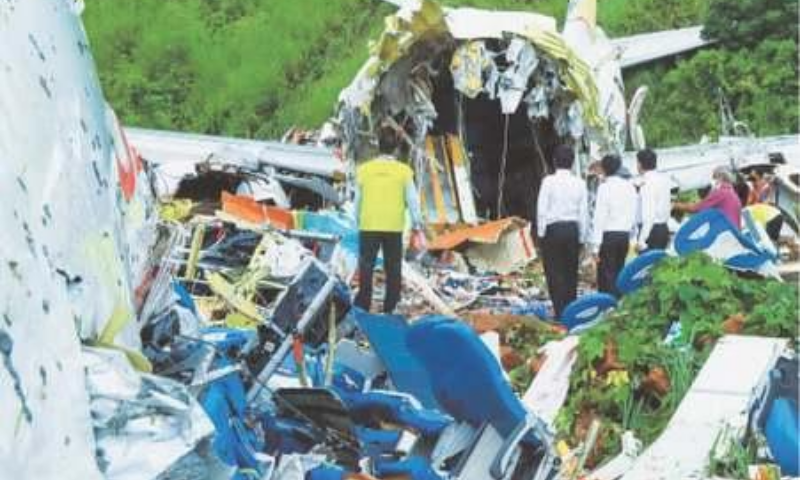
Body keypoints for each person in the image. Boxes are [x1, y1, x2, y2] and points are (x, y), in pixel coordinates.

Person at [354, 127, 423, 314]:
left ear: (378, 145)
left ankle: (363, 306)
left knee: (366, 266)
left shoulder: (364, 170)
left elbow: (357, 200)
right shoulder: (404, 171)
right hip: (393, 226)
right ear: (396, 148)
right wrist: (417, 224)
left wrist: (358, 220)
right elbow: (413, 201)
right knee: (393, 268)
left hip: (368, 225)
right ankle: (390, 308)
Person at [537, 145, 588, 318]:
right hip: (572, 229)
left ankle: (560, 311)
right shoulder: (580, 183)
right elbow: (583, 213)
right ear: (572, 163)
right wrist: (582, 236)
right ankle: (571, 310)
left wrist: (541, 233)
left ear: (554, 161)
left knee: (554, 271)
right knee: (570, 270)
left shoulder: (548, 181)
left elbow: (541, 209)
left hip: (553, 230)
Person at [591, 155, 638, 297]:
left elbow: (599, 218)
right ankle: (619, 304)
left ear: (603, 169)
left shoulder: (604, 188)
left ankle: (608, 306)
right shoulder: (630, 187)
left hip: (608, 236)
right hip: (624, 235)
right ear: (618, 167)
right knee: (619, 271)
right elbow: (634, 212)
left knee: (606, 275)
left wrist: (595, 246)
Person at [674, 166, 742, 228]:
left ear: (720, 177)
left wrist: (675, 205)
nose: (712, 180)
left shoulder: (721, 193)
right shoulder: (731, 192)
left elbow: (696, 208)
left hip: (726, 232)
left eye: (714, 177)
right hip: (733, 232)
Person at [635, 148, 672, 252]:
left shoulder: (647, 183)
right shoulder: (664, 179)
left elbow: (649, 214)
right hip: (663, 227)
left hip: (651, 231)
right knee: (659, 266)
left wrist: (642, 239)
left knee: (647, 267)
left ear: (640, 164)